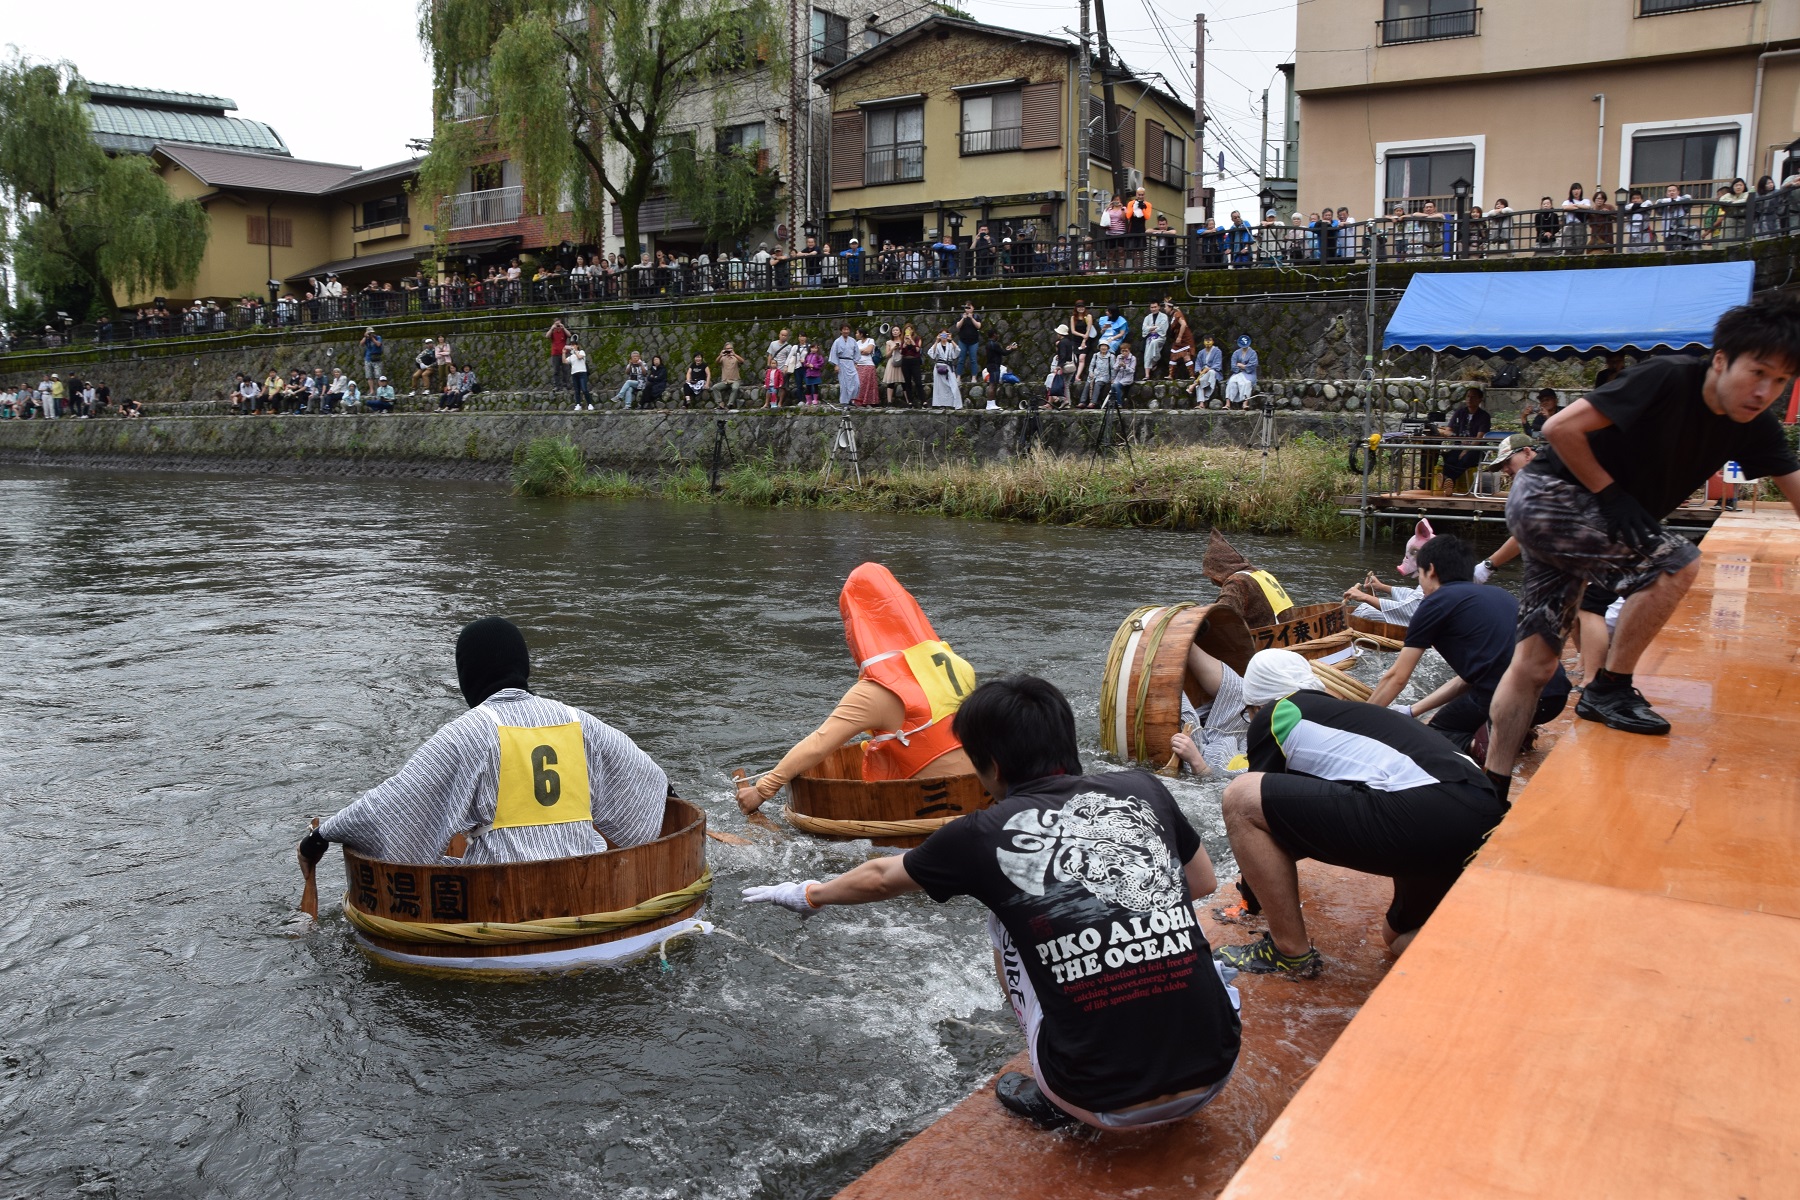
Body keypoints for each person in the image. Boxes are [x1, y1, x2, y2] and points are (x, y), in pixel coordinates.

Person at [744, 674, 1242, 1133]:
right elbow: (1200, 882)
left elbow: (878, 877)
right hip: (1218, 1068)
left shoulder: (979, 834)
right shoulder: (1142, 788)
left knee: (1004, 919)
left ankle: (1054, 1091)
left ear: (993, 766)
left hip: (1100, 1099)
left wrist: (806, 894)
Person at [1481, 294, 1800, 801]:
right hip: (1549, 497)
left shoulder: (1752, 425)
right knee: (1677, 563)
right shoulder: (1669, 377)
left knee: (1537, 663)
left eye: (1780, 381)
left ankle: (1490, 787)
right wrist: (1610, 496)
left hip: (1574, 517)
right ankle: (1608, 688)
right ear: (1721, 360)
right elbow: (1557, 427)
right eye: (1757, 372)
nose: (1764, 392)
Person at [1213, 650, 1506, 975]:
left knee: (1240, 797)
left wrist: (1251, 901)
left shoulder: (1279, 713)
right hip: (1483, 816)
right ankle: (1500, 956)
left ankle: (1287, 952)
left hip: (1427, 810)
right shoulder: (1351, 715)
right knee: (1397, 937)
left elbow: (1259, 817)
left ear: (1256, 706)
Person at [299, 618, 669, 871]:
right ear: (523, 665)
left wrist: (324, 833)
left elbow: (396, 803)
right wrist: (670, 792)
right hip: (590, 879)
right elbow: (648, 777)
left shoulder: (470, 731)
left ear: (467, 676)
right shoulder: (577, 720)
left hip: (501, 888)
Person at [736, 563, 977, 815]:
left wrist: (761, 790)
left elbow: (819, 744)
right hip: (983, 790)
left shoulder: (877, 690)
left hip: (934, 806)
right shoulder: (958, 665)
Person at [1368, 535, 1571, 756]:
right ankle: (1510, 733)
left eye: (1421, 574)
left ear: (1431, 570)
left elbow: (1397, 677)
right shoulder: (1499, 594)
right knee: (1476, 698)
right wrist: (1411, 710)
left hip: (1511, 699)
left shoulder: (1433, 603)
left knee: (1437, 734)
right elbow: (1468, 680)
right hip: (1554, 697)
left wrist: (1360, 722)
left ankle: (1486, 746)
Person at [1202, 528, 1294, 629]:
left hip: (1271, 636)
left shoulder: (1237, 581)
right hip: (1289, 627)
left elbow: (1222, 615)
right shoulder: (1259, 574)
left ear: (1217, 570)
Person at [1437, 386, 1492, 485]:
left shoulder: (1484, 416)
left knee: (1466, 458)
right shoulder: (1460, 413)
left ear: (1480, 400)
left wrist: (1467, 449)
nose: (1469, 399)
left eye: (1473, 397)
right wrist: (1457, 437)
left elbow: (1479, 438)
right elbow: (1448, 431)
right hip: (1459, 446)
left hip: (1476, 449)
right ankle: (1449, 482)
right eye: (1468, 396)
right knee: (1450, 457)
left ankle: (1447, 479)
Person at [928, 330, 962, 408]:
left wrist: (951, 340)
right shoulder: (938, 345)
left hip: (948, 367)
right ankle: (941, 404)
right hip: (939, 367)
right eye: (942, 335)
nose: (943, 336)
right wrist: (936, 341)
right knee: (940, 387)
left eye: (945, 335)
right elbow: (931, 353)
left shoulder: (950, 345)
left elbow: (958, 351)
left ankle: (956, 404)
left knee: (954, 385)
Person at [1186, 334, 1223, 408]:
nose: (1208, 342)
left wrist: (1209, 369)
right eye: (1206, 340)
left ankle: (1194, 385)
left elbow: (1218, 364)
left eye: (1209, 340)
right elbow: (1198, 363)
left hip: (1214, 372)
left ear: (1213, 341)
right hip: (1203, 373)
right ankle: (1201, 404)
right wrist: (1199, 370)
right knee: (1201, 380)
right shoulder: (1201, 352)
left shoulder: (1217, 351)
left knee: (1211, 372)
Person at [830, 324, 860, 407]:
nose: (846, 331)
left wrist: (856, 362)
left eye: (847, 329)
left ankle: (852, 399)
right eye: (844, 329)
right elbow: (833, 353)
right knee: (844, 384)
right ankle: (844, 402)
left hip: (851, 363)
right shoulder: (837, 341)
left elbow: (857, 352)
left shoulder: (853, 341)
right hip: (841, 362)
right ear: (841, 330)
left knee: (856, 383)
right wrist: (836, 365)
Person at [1224, 335, 1258, 409]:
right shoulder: (1236, 353)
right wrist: (1240, 368)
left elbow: (1253, 365)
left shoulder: (1253, 353)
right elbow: (1233, 365)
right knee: (1231, 382)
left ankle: (1245, 403)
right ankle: (1228, 403)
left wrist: (1243, 366)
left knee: (1247, 383)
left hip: (1249, 374)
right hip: (1237, 373)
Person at [713, 342, 748, 408]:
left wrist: (734, 354)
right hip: (725, 381)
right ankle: (720, 403)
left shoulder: (735, 358)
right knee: (715, 387)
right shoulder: (723, 358)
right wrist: (720, 355)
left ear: (732, 349)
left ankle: (730, 404)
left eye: (730, 348)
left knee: (735, 388)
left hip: (735, 380)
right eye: (727, 349)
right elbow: (716, 362)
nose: (728, 350)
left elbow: (742, 361)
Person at [1140, 300, 1169, 377]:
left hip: (1160, 338)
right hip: (1149, 338)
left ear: (1159, 307)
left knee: (1154, 342)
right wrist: (1154, 327)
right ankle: (1147, 374)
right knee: (1147, 352)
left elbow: (1163, 328)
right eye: (1152, 307)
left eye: (1155, 307)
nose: (1153, 309)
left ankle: (1155, 360)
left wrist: (1151, 329)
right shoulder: (1147, 318)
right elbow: (1144, 328)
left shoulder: (1164, 317)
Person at [954, 304, 983, 382]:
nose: (967, 309)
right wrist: (963, 318)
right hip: (963, 341)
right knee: (961, 359)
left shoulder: (976, 316)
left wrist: (971, 318)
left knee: (973, 359)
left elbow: (978, 326)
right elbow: (958, 326)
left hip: (973, 342)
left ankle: (974, 377)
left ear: (973, 308)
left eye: (969, 307)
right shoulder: (961, 316)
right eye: (966, 308)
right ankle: (958, 376)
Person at [852, 329, 880, 407]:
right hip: (858, 365)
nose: (856, 334)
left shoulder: (870, 340)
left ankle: (868, 401)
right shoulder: (857, 343)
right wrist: (862, 351)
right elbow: (854, 353)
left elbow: (868, 351)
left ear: (861, 334)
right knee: (859, 383)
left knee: (868, 384)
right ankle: (858, 401)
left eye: (857, 333)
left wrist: (859, 351)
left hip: (868, 364)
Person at [565, 338, 591, 409]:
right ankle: (578, 404)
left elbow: (579, 357)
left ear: (577, 346)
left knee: (584, 389)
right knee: (577, 390)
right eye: (571, 345)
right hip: (574, 373)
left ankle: (590, 404)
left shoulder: (581, 352)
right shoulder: (571, 357)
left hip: (582, 373)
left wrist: (575, 351)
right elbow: (564, 361)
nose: (572, 346)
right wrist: (563, 353)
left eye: (573, 345)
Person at [547, 317, 571, 390]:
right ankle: (557, 385)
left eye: (559, 324)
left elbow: (569, 335)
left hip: (564, 353)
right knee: (556, 370)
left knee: (565, 369)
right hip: (555, 353)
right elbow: (547, 336)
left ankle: (566, 384)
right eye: (556, 324)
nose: (558, 326)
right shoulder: (552, 332)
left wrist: (563, 328)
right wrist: (552, 328)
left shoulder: (563, 330)